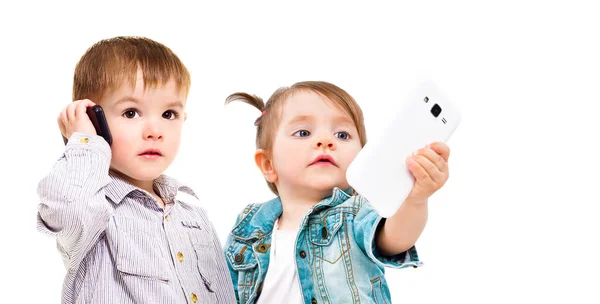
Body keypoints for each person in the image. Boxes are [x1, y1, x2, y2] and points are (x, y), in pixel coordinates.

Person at [36, 36, 236, 304]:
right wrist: (84, 143)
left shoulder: (194, 217)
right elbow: (64, 211)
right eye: (131, 113)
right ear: (93, 119)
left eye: (169, 114)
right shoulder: (95, 210)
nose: (155, 132)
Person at [223, 81, 451, 303]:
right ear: (268, 164)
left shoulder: (356, 212)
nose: (325, 141)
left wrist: (415, 199)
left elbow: (395, 238)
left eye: (342, 135)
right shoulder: (248, 226)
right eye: (303, 133)